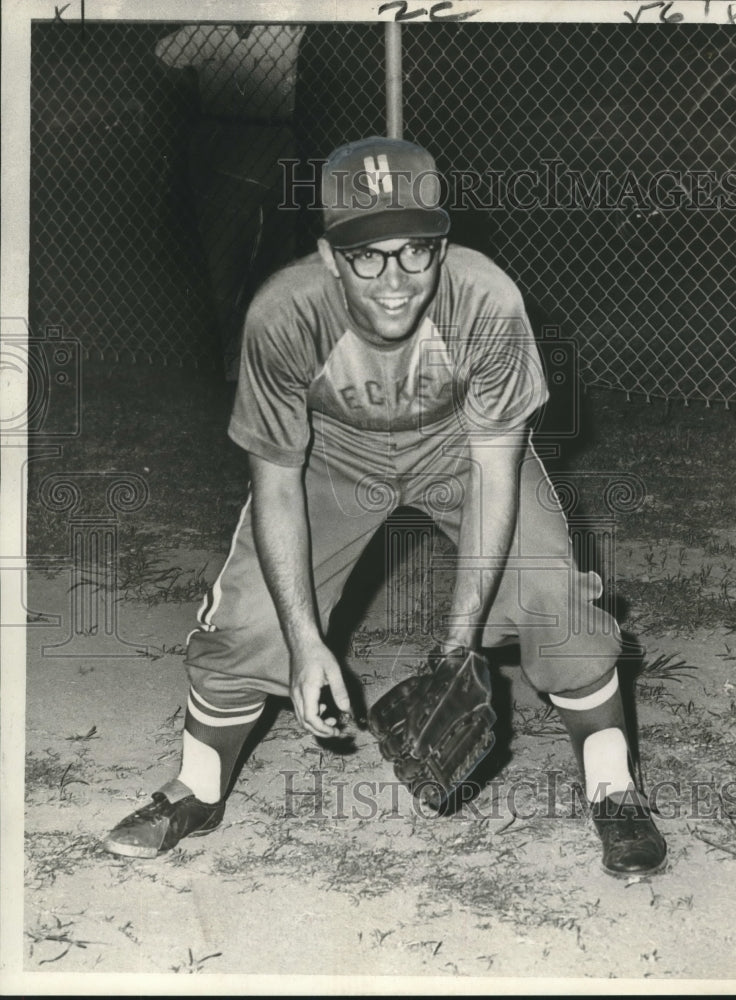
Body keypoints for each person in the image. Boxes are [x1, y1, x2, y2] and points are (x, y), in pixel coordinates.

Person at [103, 136, 667, 877]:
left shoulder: (486, 300)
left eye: (414, 252)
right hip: (333, 453)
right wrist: (308, 650)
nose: (394, 278)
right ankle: (196, 789)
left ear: (442, 245)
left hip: (457, 447)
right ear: (330, 257)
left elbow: (495, 467)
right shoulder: (284, 314)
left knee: (550, 592)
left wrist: (458, 644)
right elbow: (275, 482)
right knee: (253, 615)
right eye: (367, 256)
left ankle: (613, 785)